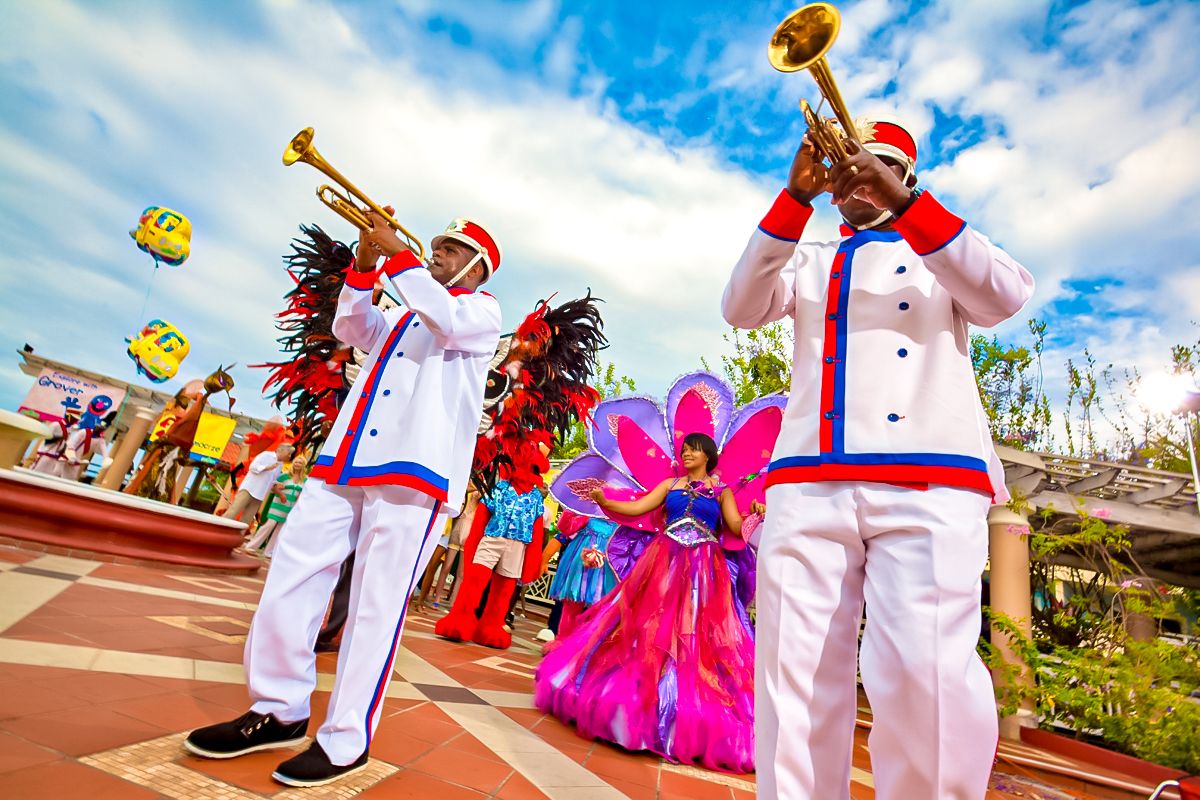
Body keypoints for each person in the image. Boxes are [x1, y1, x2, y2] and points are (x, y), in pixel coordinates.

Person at [721, 118, 1035, 799]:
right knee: (792, 676)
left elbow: (1005, 295)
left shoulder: (941, 245)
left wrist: (906, 208)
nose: (854, 179)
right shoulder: (807, 255)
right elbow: (741, 307)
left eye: (875, 166)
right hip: (808, 482)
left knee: (928, 679)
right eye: (843, 169)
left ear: (905, 176)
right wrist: (793, 197)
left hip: (928, 483)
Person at [185, 211, 503, 789]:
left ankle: (345, 739)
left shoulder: (481, 313)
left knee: (376, 606)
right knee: (291, 574)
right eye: (433, 246)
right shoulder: (407, 310)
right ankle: (277, 710)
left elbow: (447, 317)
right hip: (344, 461)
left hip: (416, 474)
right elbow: (351, 330)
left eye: (450, 250)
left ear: (479, 267)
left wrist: (398, 254)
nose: (436, 254)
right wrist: (364, 263)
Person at [534, 433, 759, 773]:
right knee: (648, 627)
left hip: (703, 571)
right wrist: (605, 502)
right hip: (663, 563)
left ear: (708, 455)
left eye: (693, 449)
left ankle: (680, 712)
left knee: (697, 637)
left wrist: (756, 515)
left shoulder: (722, 491)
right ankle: (638, 703)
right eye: (683, 449)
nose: (686, 452)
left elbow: (736, 526)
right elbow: (638, 507)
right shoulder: (670, 485)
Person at [241, 454, 308, 556]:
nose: (297, 464)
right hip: (278, 504)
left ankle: (269, 552)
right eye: (296, 462)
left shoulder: (305, 480)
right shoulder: (285, 475)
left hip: (291, 507)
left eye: (300, 463)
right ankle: (251, 546)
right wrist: (281, 494)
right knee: (270, 524)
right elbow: (273, 487)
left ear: (303, 465)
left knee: (280, 529)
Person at [223, 445, 294, 524]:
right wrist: (267, 468)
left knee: (247, 519)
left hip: (260, 495)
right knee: (233, 511)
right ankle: (218, 528)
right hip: (249, 489)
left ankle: (237, 535)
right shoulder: (266, 455)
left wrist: (278, 486)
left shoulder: (280, 465)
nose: (290, 456)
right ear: (281, 450)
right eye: (289, 453)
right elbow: (253, 467)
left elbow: (272, 480)